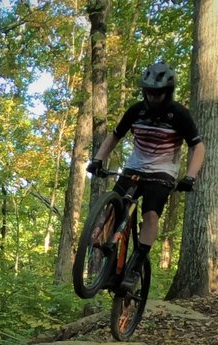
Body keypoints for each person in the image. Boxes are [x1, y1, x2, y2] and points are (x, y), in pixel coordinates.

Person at [87, 61, 205, 291]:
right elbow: (115, 135)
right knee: (115, 205)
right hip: (134, 166)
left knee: (151, 214)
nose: (152, 97)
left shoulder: (179, 114)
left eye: (157, 93)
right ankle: (108, 259)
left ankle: (137, 264)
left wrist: (190, 176)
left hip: (163, 171)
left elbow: (197, 146)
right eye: (149, 92)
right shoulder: (136, 110)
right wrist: (98, 160)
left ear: (167, 92)